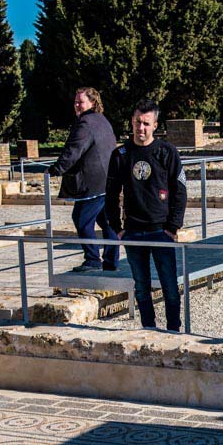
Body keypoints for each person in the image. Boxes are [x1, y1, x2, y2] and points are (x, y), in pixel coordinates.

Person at [106, 99, 187, 331]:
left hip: (161, 230)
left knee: (170, 286)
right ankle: (149, 330)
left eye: (146, 124)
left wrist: (173, 226)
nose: (141, 128)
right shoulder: (121, 155)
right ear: (132, 123)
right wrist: (117, 227)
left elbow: (180, 190)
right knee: (141, 287)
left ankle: (173, 331)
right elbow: (110, 194)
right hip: (133, 231)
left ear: (155, 125)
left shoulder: (167, 152)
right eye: (137, 123)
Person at [49, 87, 120, 272]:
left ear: (93, 103)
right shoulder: (101, 120)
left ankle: (93, 260)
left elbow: (74, 150)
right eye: (75, 102)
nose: (77, 106)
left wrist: (57, 168)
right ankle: (111, 261)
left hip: (94, 182)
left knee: (82, 219)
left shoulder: (85, 123)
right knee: (107, 222)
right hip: (108, 179)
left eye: (81, 102)